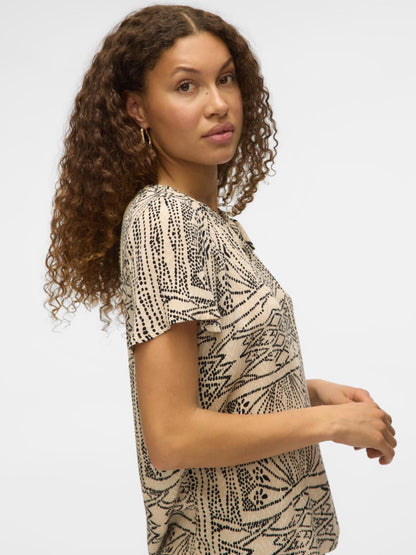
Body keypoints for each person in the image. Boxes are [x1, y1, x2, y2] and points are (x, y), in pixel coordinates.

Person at [43, 4, 397, 554]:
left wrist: (305, 393)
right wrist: (327, 425)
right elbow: (173, 435)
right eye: (187, 86)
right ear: (137, 108)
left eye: (226, 79)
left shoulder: (209, 224)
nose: (218, 103)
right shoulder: (164, 223)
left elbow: (215, 388)